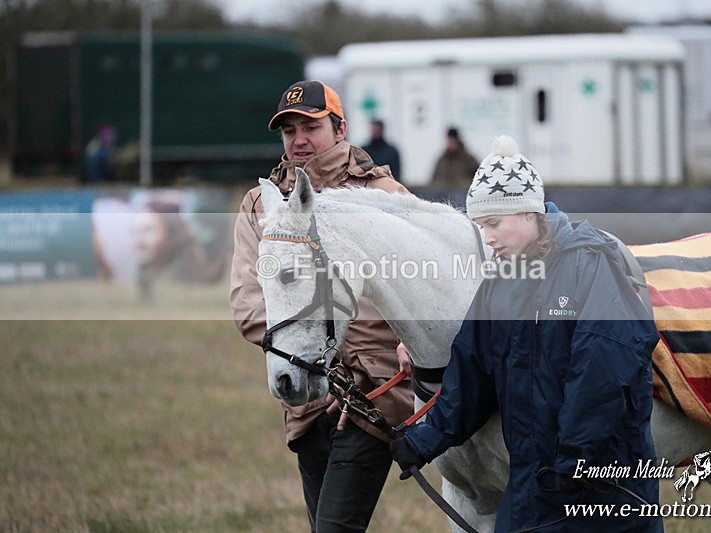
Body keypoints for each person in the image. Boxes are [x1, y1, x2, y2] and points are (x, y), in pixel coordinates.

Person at [391, 135, 663, 532]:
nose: (488, 238)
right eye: (481, 226)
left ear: (528, 213)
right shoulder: (500, 282)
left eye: (494, 223)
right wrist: (423, 439)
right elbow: (471, 375)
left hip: (606, 492)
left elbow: (603, 377)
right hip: (534, 489)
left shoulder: (591, 267)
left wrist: (575, 461)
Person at [229, 80, 414, 532]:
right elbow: (249, 303)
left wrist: (351, 372)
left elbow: (420, 296)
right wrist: (314, 362)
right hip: (306, 401)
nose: (299, 139)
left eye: (310, 125)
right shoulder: (260, 204)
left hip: (372, 397)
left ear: (340, 128)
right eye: (288, 130)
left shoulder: (384, 197)